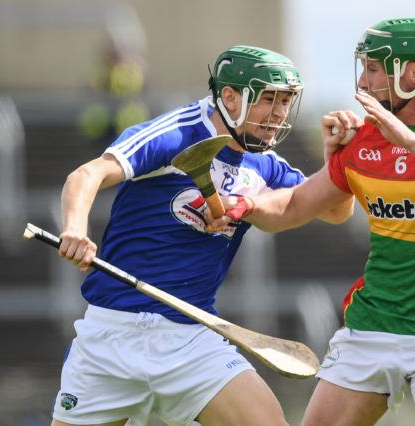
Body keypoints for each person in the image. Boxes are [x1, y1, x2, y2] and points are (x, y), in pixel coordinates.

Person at [208, 18, 415, 426]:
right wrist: (246, 204)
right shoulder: (364, 140)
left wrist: (408, 139)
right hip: (373, 328)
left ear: (413, 73)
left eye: (374, 69)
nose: (363, 81)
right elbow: (297, 204)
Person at [52, 45, 353, 426]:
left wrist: (334, 162)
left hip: (191, 339)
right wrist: (75, 230)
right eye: (269, 100)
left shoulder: (264, 163)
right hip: (110, 338)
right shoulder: (176, 133)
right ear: (229, 97)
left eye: (286, 102)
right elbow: (85, 176)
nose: (279, 114)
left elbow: (335, 209)